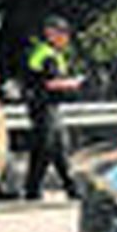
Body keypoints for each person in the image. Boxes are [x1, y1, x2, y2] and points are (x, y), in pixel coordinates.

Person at [23, 16, 84, 200]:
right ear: (51, 34)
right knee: (46, 148)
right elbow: (49, 84)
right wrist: (73, 83)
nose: (66, 39)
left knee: (57, 148)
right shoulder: (46, 54)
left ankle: (70, 189)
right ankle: (34, 190)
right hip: (43, 107)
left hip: (50, 107)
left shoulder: (52, 53)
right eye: (62, 34)